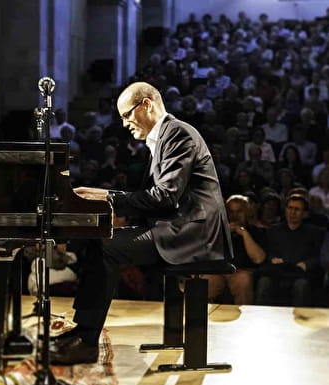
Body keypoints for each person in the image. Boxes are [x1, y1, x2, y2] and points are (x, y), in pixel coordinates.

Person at [49, 81, 231, 365]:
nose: (124, 124)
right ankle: (83, 332)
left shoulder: (178, 135)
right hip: (177, 228)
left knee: (107, 246)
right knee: (103, 242)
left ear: (146, 104)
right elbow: (155, 198)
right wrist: (102, 196)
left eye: (126, 115)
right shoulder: (165, 137)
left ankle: (85, 339)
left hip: (194, 234)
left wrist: (107, 197)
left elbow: (164, 197)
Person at [255, 194, 324, 307]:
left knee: (301, 285)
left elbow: (320, 256)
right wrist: (272, 258)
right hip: (278, 272)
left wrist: (307, 264)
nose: (292, 212)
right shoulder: (273, 231)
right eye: (290, 208)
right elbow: (266, 252)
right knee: (264, 282)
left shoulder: (315, 232)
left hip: (301, 273)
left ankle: (299, 321)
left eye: (297, 209)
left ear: (304, 213)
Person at [202, 195, 266, 304]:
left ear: (247, 213)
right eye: (231, 212)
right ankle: (199, 318)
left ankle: (246, 318)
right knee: (207, 280)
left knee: (242, 279)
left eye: (239, 211)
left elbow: (258, 259)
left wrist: (244, 234)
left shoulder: (256, 232)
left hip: (243, 271)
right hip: (220, 272)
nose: (234, 216)